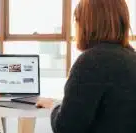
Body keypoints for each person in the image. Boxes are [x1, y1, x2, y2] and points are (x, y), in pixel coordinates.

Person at [36, 0, 136, 133]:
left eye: (77, 21)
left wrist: (55, 106)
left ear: (86, 24)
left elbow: (65, 128)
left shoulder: (91, 61)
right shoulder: (131, 58)